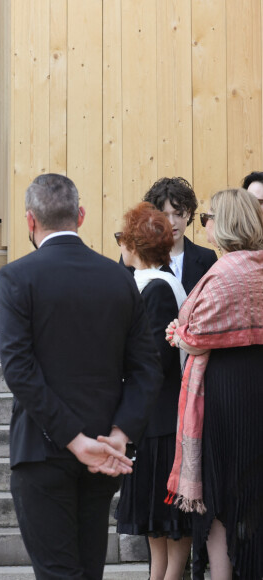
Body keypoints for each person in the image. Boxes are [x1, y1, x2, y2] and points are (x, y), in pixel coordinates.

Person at [0, 173, 163, 580]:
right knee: (88, 570)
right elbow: (146, 368)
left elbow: (20, 370)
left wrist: (73, 439)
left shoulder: (18, 276)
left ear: (30, 222)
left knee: (57, 572)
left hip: (43, 447)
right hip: (105, 447)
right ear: (81, 216)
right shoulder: (118, 277)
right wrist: (120, 435)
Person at [166, 188, 263, 580]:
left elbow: (194, 334)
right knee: (254, 491)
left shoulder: (224, 271)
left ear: (223, 223)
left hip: (225, 392)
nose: (204, 223)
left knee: (218, 495)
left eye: (207, 217)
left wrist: (179, 334)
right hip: (256, 380)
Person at [114, 202, 192, 580]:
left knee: (168, 513)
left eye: (121, 238)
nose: (119, 246)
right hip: (155, 416)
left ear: (134, 244)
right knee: (157, 519)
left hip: (163, 417)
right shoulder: (152, 282)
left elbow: (157, 359)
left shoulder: (158, 287)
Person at [141, 177, 217, 294]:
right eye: (164, 215)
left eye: (178, 214)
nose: (171, 222)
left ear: (189, 213)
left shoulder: (207, 258)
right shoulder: (139, 257)